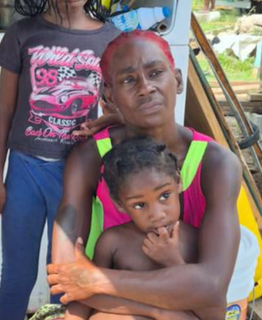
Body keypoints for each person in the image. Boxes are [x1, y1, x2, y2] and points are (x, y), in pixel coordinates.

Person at [48, 31, 242, 319]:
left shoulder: (217, 164)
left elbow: (211, 288)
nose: (145, 87)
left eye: (155, 73)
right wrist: (160, 308)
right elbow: (67, 277)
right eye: (129, 80)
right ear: (109, 96)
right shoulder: (89, 158)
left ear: (177, 80)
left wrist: (95, 279)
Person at [0, 0, 121, 320]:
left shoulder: (110, 40)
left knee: (63, 279)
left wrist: (104, 122)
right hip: (23, 171)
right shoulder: (22, 35)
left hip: (75, 175)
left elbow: (124, 112)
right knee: (16, 276)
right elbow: (4, 111)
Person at [67, 137, 215, 320]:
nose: (157, 214)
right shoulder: (112, 242)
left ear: (178, 181)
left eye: (164, 195)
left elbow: (209, 313)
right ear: (119, 204)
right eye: (139, 205)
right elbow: (90, 295)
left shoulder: (195, 240)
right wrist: (159, 312)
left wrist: (173, 262)